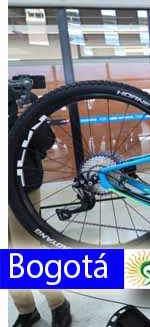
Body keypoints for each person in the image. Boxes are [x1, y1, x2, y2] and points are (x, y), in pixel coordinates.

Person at [8, 89, 72, 327]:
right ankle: (26, 310)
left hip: (21, 188)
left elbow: (46, 142)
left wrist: (32, 118)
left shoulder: (20, 98)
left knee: (28, 252)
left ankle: (58, 303)